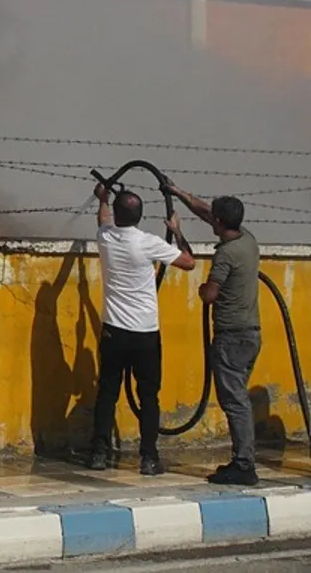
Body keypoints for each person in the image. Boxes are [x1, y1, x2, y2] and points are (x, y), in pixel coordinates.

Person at [89, 183, 196, 474]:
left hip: (114, 331)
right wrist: (176, 231)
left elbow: (102, 219)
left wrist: (103, 198)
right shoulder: (148, 242)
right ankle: (148, 458)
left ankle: (99, 453)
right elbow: (189, 262)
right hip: (145, 333)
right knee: (149, 396)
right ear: (139, 215)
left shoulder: (106, 236)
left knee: (107, 392)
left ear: (118, 214)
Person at [168, 182, 261, 486]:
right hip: (250, 335)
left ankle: (244, 464)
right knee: (239, 399)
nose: (211, 219)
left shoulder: (226, 255)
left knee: (235, 402)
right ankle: (242, 460)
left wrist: (179, 235)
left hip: (231, 337)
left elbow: (209, 295)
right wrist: (179, 193)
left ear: (219, 223)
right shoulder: (247, 239)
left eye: (214, 218)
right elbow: (206, 211)